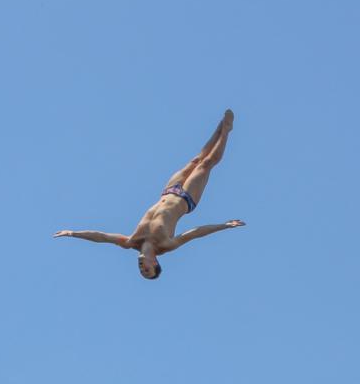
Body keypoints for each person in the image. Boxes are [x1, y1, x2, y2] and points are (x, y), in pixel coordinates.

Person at [55, 110, 245, 279]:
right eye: (147, 270)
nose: (141, 269)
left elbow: (101, 237)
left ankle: (220, 126)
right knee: (206, 163)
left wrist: (73, 233)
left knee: (195, 160)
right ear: (155, 263)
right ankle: (227, 130)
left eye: (141, 271)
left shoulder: (130, 241)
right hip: (187, 199)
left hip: (168, 190)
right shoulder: (166, 245)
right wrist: (224, 226)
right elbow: (195, 233)